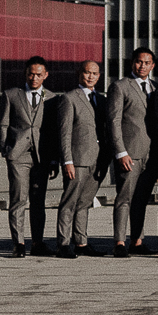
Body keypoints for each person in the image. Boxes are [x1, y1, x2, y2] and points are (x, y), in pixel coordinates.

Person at [105, 47, 158, 256]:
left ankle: (137, 240)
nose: (142, 66)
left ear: (152, 66)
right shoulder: (120, 87)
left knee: (142, 199)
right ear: (132, 63)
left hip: (150, 154)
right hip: (129, 153)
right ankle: (119, 241)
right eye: (138, 62)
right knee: (124, 197)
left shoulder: (156, 88)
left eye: (147, 63)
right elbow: (113, 121)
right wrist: (120, 152)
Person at [0, 56, 52, 257]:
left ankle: (37, 242)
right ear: (25, 73)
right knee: (19, 199)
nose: (34, 78)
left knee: (38, 200)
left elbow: (53, 130)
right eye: (31, 73)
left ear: (45, 75)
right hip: (18, 154)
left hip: (41, 156)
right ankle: (19, 243)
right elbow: (3, 124)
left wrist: (54, 159)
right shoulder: (12, 95)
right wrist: (6, 149)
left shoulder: (52, 97)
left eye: (39, 74)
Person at [52, 60, 104, 258]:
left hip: (97, 160)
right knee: (70, 201)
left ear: (99, 76)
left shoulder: (101, 99)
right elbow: (64, 133)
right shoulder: (69, 98)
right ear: (79, 73)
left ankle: (81, 242)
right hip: (77, 159)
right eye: (87, 72)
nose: (90, 76)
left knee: (84, 203)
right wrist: (67, 161)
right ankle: (63, 243)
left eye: (94, 73)